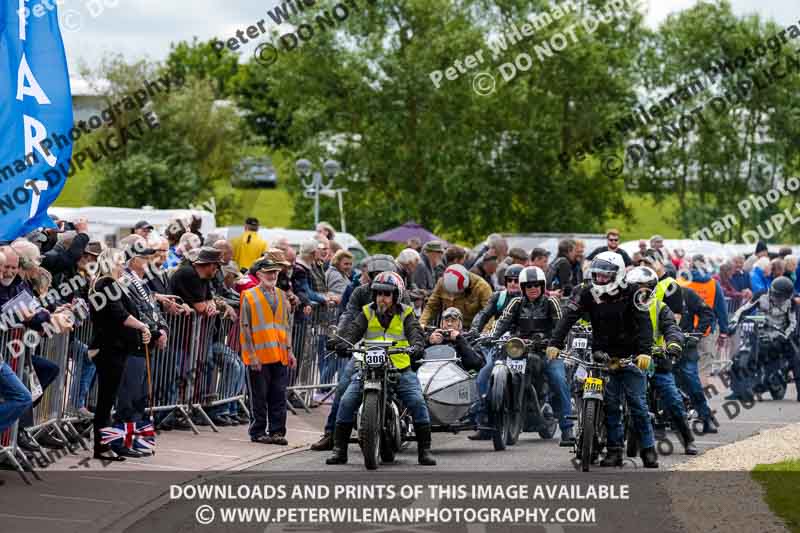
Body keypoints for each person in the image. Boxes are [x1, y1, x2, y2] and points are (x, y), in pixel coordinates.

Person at [547, 251, 658, 468]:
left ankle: (648, 449)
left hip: (631, 356)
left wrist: (645, 352)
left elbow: (645, 324)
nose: (600, 280)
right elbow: (568, 317)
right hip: (602, 355)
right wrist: (555, 342)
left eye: (605, 276)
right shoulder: (588, 293)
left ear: (617, 275)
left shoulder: (634, 293)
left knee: (637, 404)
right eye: (597, 276)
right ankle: (614, 451)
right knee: (610, 405)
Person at [327, 271, 435, 466]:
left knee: (418, 402)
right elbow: (352, 332)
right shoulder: (367, 312)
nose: (381, 299)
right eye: (378, 294)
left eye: (386, 294)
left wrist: (417, 346)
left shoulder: (406, 313)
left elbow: (415, 334)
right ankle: (339, 450)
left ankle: (424, 451)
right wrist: (341, 343)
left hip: (399, 367)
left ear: (396, 296)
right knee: (346, 401)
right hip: (368, 367)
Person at [310, 255, 398, 451]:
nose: (382, 282)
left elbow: (411, 322)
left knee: (412, 388)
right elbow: (348, 315)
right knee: (343, 387)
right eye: (377, 276)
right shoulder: (359, 292)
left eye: (386, 277)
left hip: (395, 350)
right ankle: (331, 435)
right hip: (365, 349)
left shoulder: (400, 294)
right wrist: (339, 339)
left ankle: (414, 429)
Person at [490, 266, 574, 446]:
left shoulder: (551, 302)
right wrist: (491, 337)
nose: (533, 288)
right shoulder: (516, 303)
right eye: (529, 286)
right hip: (519, 351)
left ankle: (567, 429)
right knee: (491, 371)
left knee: (558, 379)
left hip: (547, 351)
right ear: (523, 288)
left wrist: (553, 343)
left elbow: (561, 327)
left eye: (537, 285)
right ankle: (486, 421)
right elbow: (502, 322)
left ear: (543, 286)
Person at [89, 249, 155, 461]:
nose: (122, 267)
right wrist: (143, 326)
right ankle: (102, 446)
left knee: (109, 400)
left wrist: (144, 330)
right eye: (119, 263)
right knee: (106, 401)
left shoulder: (110, 284)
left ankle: (107, 445)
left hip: (117, 348)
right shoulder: (106, 284)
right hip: (110, 348)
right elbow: (120, 315)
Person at [624, 267, 696, 455]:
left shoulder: (660, 307)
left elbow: (672, 328)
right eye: (636, 286)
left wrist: (673, 344)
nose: (640, 290)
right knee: (610, 396)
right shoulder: (620, 307)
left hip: (656, 361)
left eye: (645, 286)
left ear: (653, 288)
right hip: (626, 360)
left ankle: (687, 438)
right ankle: (603, 439)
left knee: (672, 398)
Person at [645, 255, 718, 435]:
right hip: (659, 346)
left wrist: (696, 335)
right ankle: (657, 420)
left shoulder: (687, 293)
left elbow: (707, 313)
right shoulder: (644, 295)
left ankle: (706, 417)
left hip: (685, 345)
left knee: (690, 379)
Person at [111, 245, 169, 457]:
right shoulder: (125, 282)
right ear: (133, 260)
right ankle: (119, 443)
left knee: (140, 399)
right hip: (131, 347)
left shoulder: (141, 284)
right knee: (127, 400)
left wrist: (162, 329)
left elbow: (153, 311)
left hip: (144, 346)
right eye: (144, 257)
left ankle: (135, 440)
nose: (148, 261)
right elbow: (133, 313)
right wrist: (155, 332)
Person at [240, 258, 297, 444]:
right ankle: (257, 432)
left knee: (278, 395)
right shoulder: (249, 296)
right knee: (259, 396)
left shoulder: (281, 295)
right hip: (259, 356)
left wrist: (290, 351)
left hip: (279, 355)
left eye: (275, 272)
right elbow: (245, 327)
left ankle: (277, 431)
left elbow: (286, 326)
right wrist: (252, 355)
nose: (272, 275)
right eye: (268, 272)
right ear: (259, 275)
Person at [728, 277, 799, 402]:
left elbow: (793, 323)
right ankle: (737, 391)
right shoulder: (761, 295)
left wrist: (786, 335)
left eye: (781, 296)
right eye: (776, 294)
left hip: (781, 336)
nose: (777, 298)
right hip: (761, 333)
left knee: (797, 357)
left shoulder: (791, 303)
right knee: (738, 357)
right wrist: (734, 321)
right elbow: (744, 309)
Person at [678, 254, 730, 378]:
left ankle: (686, 393)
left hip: (685, 329)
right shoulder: (713, 284)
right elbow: (721, 309)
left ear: (690, 265)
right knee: (703, 365)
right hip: (706, 330)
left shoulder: (681, 283)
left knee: (685, 365)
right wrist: (724, 331)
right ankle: (700, 393)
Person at [420, 264, 492, 330]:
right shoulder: (441, 283)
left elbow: (490, 314)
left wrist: (484, 333)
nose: (453, 297)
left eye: (457, 293)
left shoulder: (482, 288)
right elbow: (431, 306)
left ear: (466, 286)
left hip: (471, 330)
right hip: (448, 327)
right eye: (450, 293)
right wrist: (421, 324)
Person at [470, 265, 524, 335]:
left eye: (516, 281)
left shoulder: (528, 298)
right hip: (498, 337)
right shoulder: (499, 296)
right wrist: (475, 329)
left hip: (521, 338)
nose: (512, 283)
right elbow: (484, 314)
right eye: (509, 280)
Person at [427, 307, 484, 371]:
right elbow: (418, 363)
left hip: (461, 377)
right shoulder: (436, 337)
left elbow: (477, 364)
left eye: (453, 321)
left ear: (460, 324)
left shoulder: (469, 338)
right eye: (446, 320)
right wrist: (429, 342)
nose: (449, 324)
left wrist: (460, 339)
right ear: (441, 323)